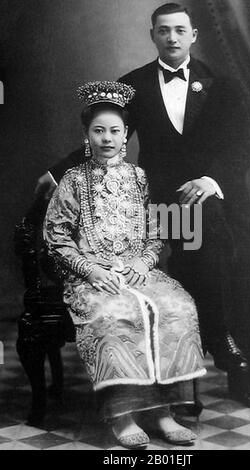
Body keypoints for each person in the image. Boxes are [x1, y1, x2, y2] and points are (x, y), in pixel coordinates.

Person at [37, 3, 250, 410]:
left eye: (180, 30)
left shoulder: (223, 83)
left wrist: (210, 180)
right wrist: (57, 173)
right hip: (164, 208)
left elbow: (247, 142)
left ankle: (244, 377)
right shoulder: (135, 85)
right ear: (153, 36)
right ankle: (190, 375)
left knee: (240, 273)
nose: (172, 38)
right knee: (192, 263)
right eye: (164, 31)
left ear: (194, 35)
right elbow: (105, 135)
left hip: (218, 200)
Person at [43, 80, 206, 449]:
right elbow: (57, 238)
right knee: (116, 315)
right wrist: (91, 270)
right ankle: (123, 415)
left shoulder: (138, 177)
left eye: (115, 131)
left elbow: (154, 234)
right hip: (91, 276)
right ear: (87, 134)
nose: (107, 138)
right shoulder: (72, 180)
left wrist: (145, 263)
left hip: (137, 272)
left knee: (176, 307)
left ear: (125, 135)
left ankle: (164, 412)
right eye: (98, 130)